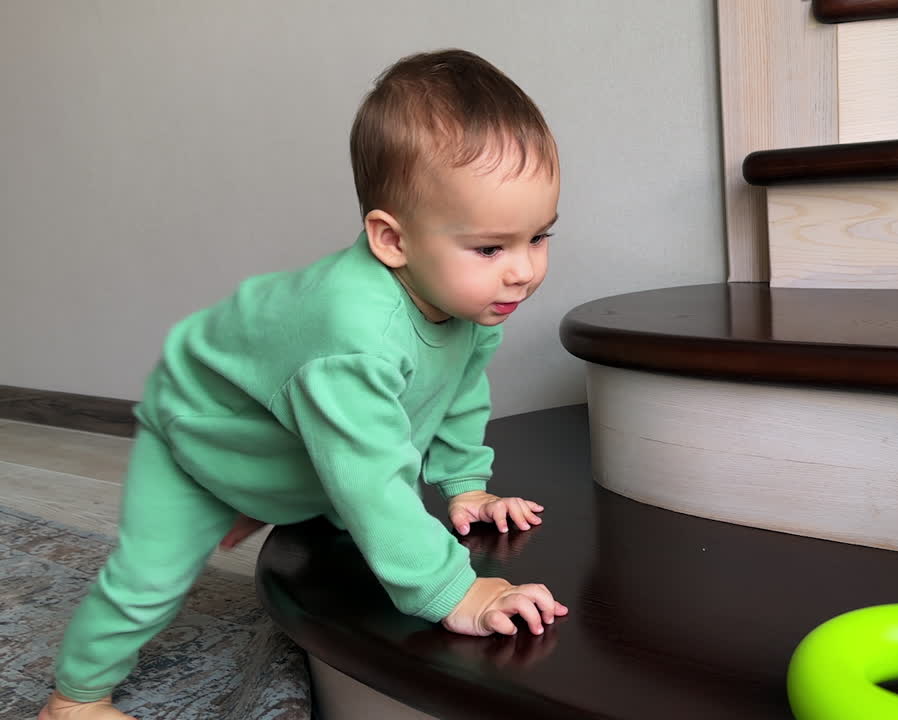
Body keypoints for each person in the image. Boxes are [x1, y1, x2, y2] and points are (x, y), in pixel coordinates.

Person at [40, 48, 567, 720]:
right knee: (148, 579)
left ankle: (261, 489)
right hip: (196, 435)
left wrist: (466, 484)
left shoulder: (471, 304)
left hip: (287, 421)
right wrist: (455, 591)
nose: (522, 270)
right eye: (493, 248)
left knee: (338, 457)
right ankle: (73, 698)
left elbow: (462, 385)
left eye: (539, 237)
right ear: (391, 240)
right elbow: (369, 480)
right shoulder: (354, 337)